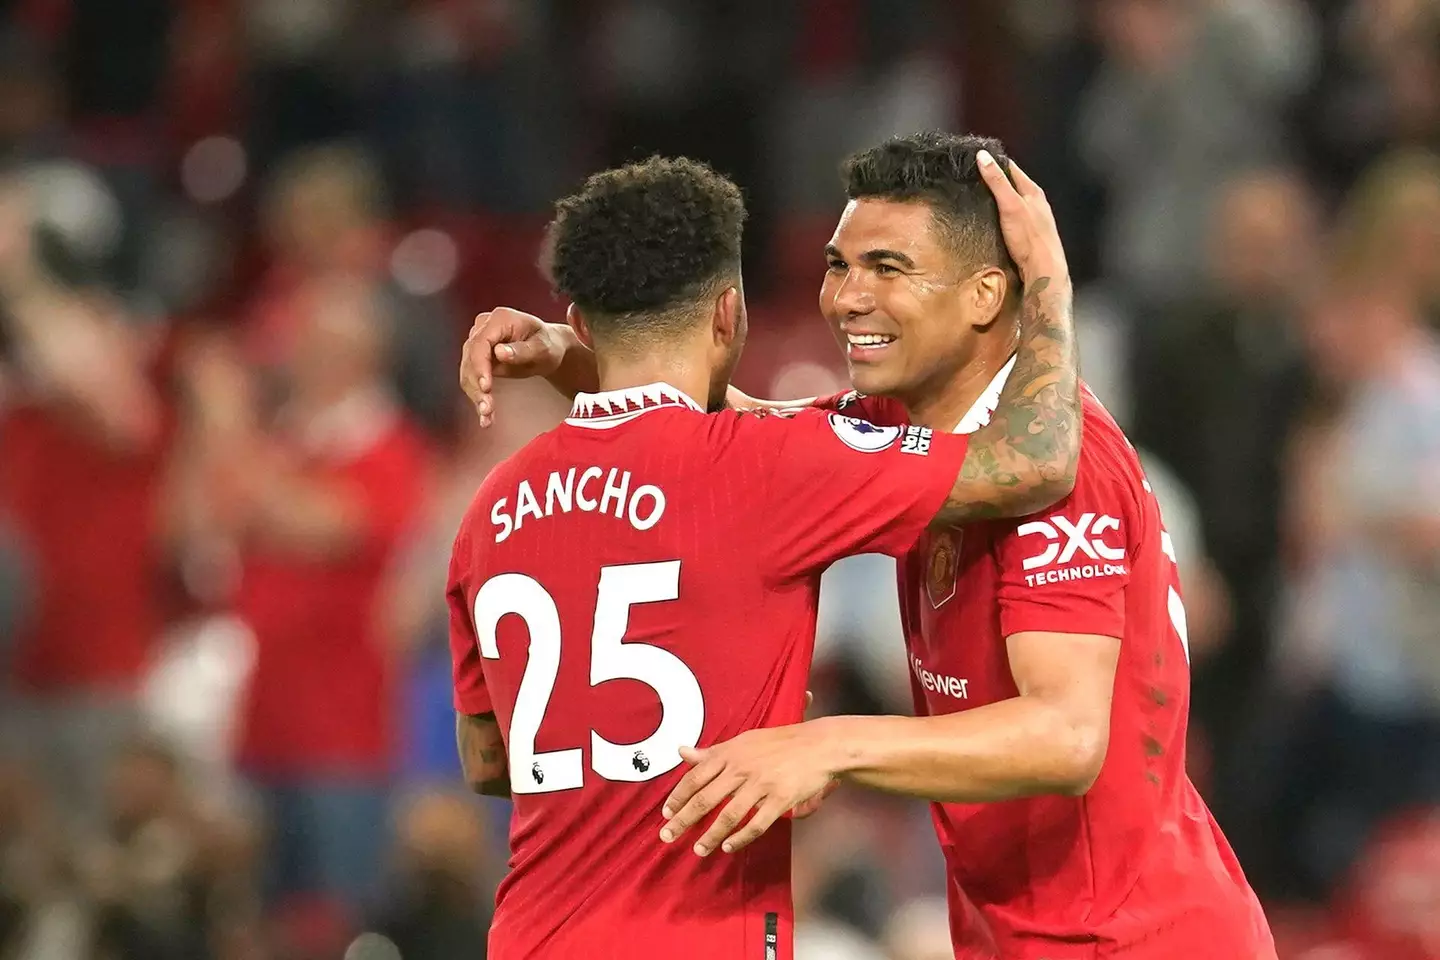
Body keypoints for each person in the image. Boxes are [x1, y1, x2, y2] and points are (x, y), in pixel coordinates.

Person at [460, 132, 1276, 959]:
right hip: (1022, 934)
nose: (847, 298)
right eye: (839, 266)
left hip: (1133, 939)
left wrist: (828, 745)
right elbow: (716, 435)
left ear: (989, 294)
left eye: (888, 269)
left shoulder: (1069, 472)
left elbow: (1064, 736)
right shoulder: (890, 429)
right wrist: (582, 356)